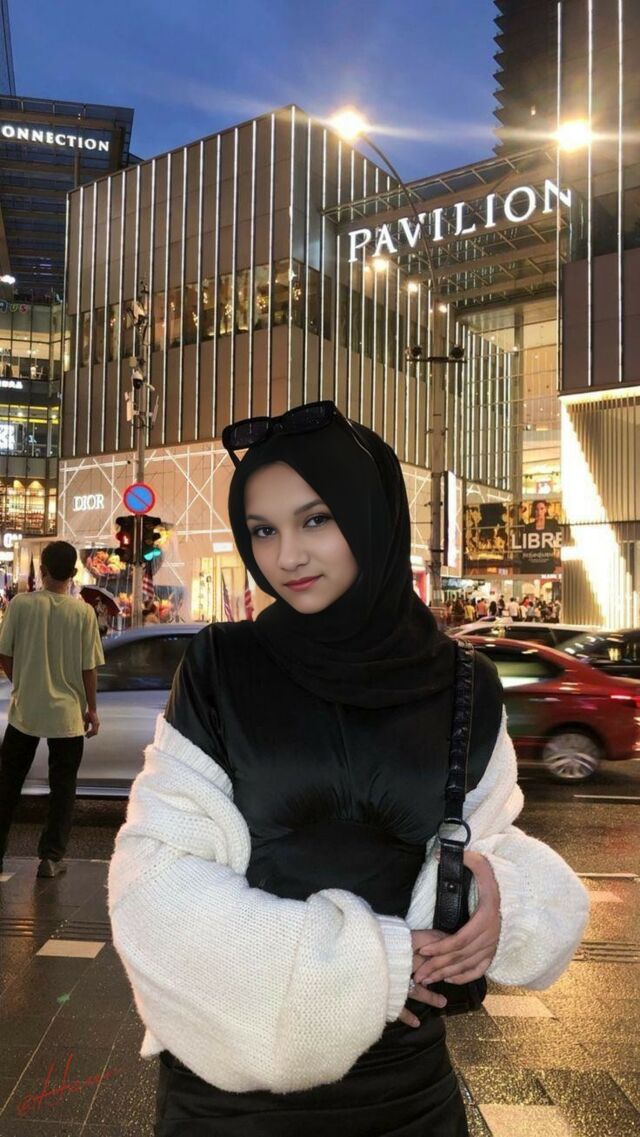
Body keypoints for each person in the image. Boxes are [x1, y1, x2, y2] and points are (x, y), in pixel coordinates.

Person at [108, 401, 589, 1137]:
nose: (287, 556)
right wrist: (374, 966)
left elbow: (487, 840)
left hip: (407, 1085)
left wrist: (504, 899)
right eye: (263, 530)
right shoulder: (223, 666)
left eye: (315, 519)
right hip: (233, 1088)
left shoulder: (465, 683)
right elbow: (153, 882)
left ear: (372, 516)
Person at [0, 541, 104, 878]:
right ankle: (51, 857)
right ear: (73, 573)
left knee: (7, 784)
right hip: (67, 715)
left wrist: (22, 681)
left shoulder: (20, 605)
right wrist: (92, 710)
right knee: (62, 788)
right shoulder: (83, 613)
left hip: (25, 711)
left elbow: (5, 654)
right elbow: (89, 668)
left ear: (42, 571)